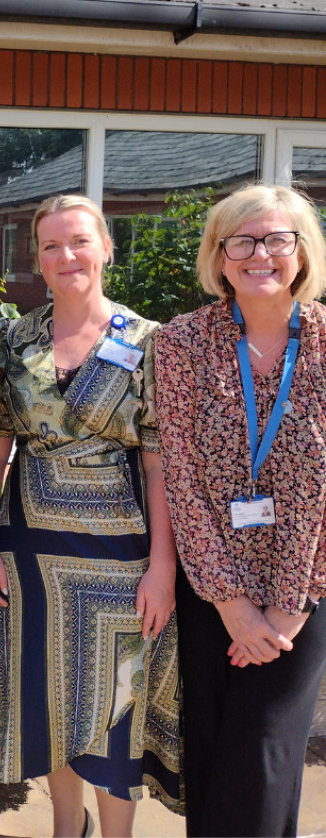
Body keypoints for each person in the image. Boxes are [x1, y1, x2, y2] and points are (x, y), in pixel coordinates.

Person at [0, 195, 182, 838]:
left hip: (123, 560)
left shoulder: (148, 342)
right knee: (48, 699)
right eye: (52, 246)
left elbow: (160, 464)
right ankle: (69, 827)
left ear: (106, 247)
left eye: (80, 242)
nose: (67, 256)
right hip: (30, 552)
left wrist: (163, 570)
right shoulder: (13, 339)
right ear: (37, 257)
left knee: (120, 704)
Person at [155, 183, 326, 837]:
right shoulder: (181, 344)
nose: (260, 254)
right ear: (219, 256)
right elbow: (182, 478)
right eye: (242, 241)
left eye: (277, 238)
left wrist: (285, 607)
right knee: (217, 754)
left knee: (264, 753)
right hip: (211, 593)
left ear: (302, 251)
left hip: (304, 593)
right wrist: (230, 602)